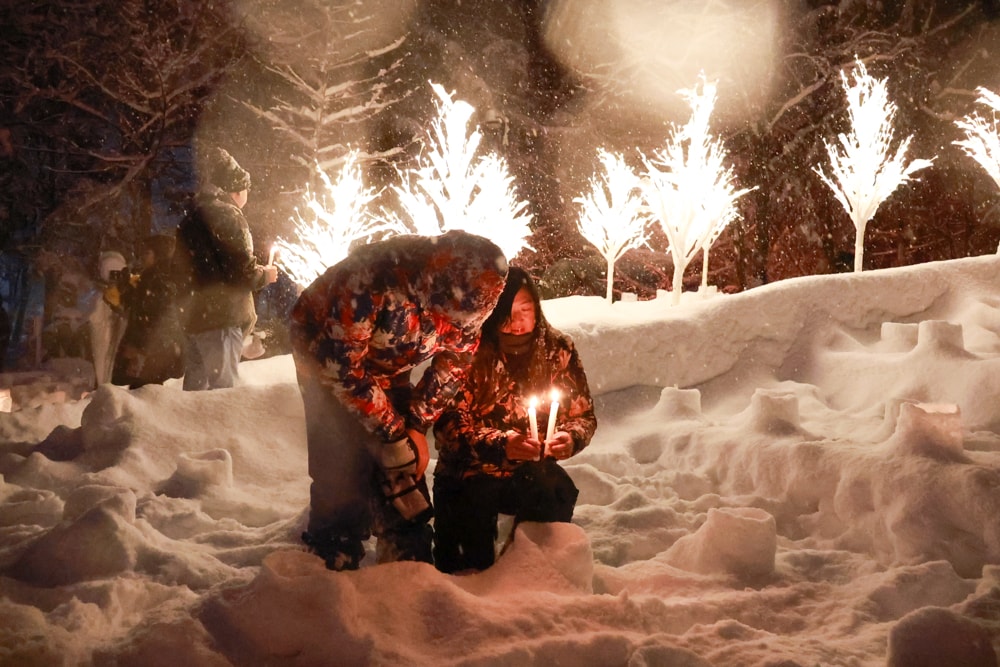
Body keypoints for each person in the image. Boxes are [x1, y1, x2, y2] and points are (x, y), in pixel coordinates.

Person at [290, 230, 508, 571]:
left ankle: (406, 551)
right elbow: (341, 370)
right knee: (340, 458)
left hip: (391, 364)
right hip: (324, 352)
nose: (451, 325)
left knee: (403, 464)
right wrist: (391, 434)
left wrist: (415, 427)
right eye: (445, 315)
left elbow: (457, 359)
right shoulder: (369, 282)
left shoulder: (475, 294)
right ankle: (334, 549)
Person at [431, 266, 597, 574]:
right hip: (468, 472)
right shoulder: (468, 350)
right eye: (507, 311)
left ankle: (532, 570)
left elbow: (582, 415)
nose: (517, 321)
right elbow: (447, 424)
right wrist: (501, 444)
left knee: (555, 488)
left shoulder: (557, 350)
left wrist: (570, 438)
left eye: (526, 309)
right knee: (466, 570)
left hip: (527, 471)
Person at [172, 147, 277, 390]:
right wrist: (265, 275)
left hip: (195, 318)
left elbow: (178, 271)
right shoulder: (229, 216)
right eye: (246, 189)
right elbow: (240, 272)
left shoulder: (192, 218)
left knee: (195, 395)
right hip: (222, 318)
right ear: (237, 190)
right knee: (223, 393)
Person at [110, 234, 185, 388]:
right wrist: (125, 288)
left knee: (142, 393)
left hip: (151, 353)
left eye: (147, 252)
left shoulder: (160, 281)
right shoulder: (150, 278)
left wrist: (141, 349)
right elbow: (137, 307)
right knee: (136, 393)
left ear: (159, 255)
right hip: (146, 350)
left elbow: (161, 319)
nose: (142, 256)